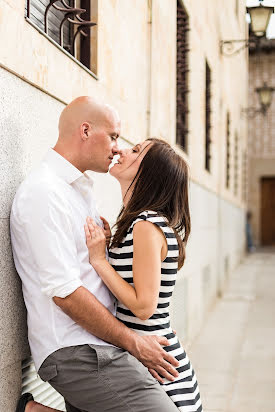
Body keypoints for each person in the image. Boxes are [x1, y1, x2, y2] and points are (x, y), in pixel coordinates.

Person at [11, 97, 181, 412]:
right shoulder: (44, 193)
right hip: (78, 351)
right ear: (86, 130)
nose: (118, 148)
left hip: (100, 346)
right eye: (114, 136)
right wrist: (134, 343)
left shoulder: (77, 190)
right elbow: (65, 294)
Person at [84, 138, 203, 412]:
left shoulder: (147, 225)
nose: (122, 150)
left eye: (136, 151)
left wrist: (100, 260)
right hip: (149, 360)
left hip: (162, 372)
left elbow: (143, 307)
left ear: (149, 174)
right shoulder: (138, 222)